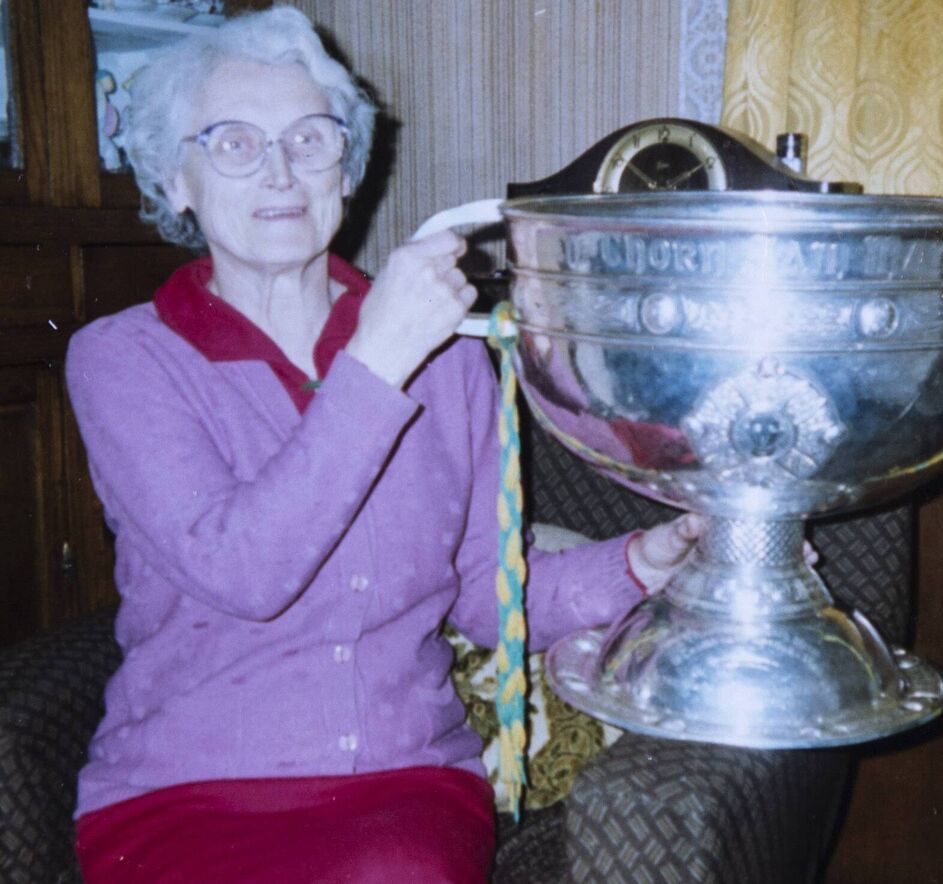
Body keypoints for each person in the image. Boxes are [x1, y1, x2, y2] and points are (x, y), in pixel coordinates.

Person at [66, 7, 703, 882]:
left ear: (347, 168)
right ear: (176, 180)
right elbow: (244, 572)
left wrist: (644, 561)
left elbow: (487, 596)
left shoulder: (446, 361)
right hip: (181, 789)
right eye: (235, 144)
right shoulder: (124, 358)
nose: (281, 171)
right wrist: (380, 355)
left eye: (310, 138)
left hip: (398, 784)